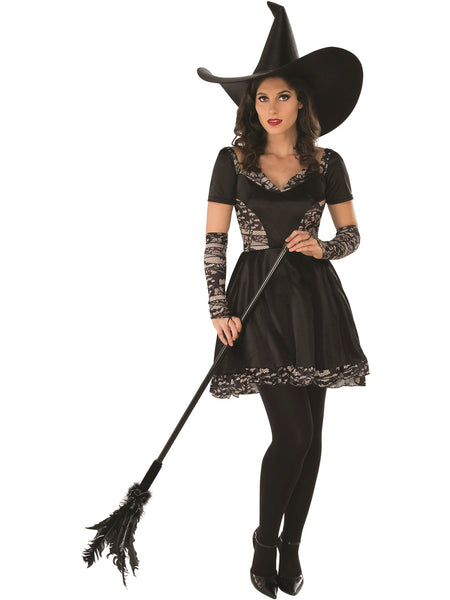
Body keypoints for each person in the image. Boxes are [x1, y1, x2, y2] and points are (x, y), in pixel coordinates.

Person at [199, 3, 370, 598]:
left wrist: (323, 247)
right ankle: (264, 541)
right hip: (257, 302)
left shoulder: (328, 163)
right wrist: (218, 308)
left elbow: (351, 235)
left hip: (314, 301)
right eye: (261, 98)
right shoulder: (232, 162)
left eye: (282, 97)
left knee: (312, 438)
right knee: (292, 435)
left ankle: (292, 545)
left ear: (302, 102)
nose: (271, 107)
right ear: (252, 106)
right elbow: (215, 242)